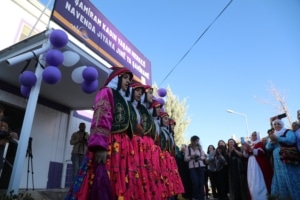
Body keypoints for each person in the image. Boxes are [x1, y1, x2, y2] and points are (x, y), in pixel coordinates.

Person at [265, 119, 300, 199]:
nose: (276, 125)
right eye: (275, 124)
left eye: (278, 124)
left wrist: (278, 139)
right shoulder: (273, 134)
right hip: (278, 163)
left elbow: (291, 140)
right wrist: (271, 142)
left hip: (288, 160)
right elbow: (267, 147)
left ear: (282, 124)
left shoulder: (288, 132)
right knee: (280, 180)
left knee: (292, 179)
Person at [159, 111, 184, 199]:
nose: (173, 127)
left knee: (171, 183)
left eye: (174, 125)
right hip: (164, 159)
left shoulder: (169, 135)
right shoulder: (161, 131)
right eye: (171, 124)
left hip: (170, 160)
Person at [243, 131, 273, 200]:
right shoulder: (249, 144)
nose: (253, 137)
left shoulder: (260, 143)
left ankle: (262, 197)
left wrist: (251, 149)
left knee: (259, 179)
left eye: (255, 135)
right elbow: (245, 155)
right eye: (252, 135)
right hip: (251, 164)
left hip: (258, 164)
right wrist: (245, 150)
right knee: (252, 180)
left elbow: (261, 152)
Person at [184, 135, 206, 200]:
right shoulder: (187, 148)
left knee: (201, 182)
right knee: (195, 182)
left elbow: (204, 156)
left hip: (200, 166)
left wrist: (199, 158)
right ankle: (195, 196)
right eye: (196, 141)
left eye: (198, 141)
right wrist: (191, 157)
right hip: (192, 167)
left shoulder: (200, 148)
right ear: (193, 141)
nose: (197, 142)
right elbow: (185, 159)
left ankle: (201, 197)